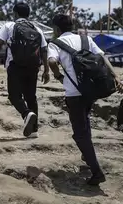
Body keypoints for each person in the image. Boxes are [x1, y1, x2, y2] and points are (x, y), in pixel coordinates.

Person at [47, 14, 123, 185]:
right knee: (85, 121)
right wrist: (116, 76)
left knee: (79, 133)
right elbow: (103, 57)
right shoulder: (85, 39)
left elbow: (52, 61)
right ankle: (87, 155)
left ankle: (96, 172)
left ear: (57, 29)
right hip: (91, 90)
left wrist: (58, 74)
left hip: (74, 93)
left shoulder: (55, 43)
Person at [0, 3, 50, 138]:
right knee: (31, 96)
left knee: (14, 96)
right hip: (33, 67)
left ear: (15, 13)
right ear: (28, 14)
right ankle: (34, 131)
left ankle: (26, 113)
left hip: (15, 66)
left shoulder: (9, 26)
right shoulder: (37, 29)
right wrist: (46, 69)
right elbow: (44, 49)